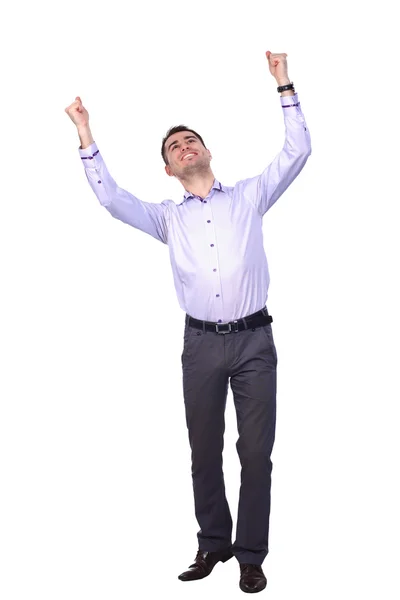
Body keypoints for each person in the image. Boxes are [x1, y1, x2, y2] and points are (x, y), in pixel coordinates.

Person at [65, 50, 311, 594]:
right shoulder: (166, 218)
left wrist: (283, 83)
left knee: (255, 452)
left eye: (190, 139)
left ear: (205, 151)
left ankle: (250, 553)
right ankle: (212, 544)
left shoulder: (249, 196)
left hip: (254, 342)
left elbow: (297, 151)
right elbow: (110, 198)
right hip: (200, 345)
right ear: (170, 169)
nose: (185, 146)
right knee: (204, 448)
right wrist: (86, 132)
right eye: (174, 147)